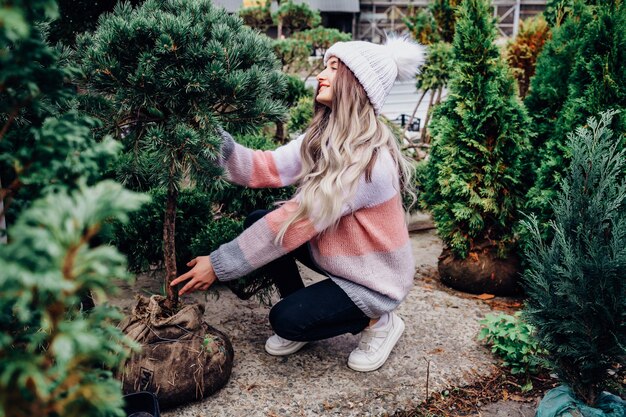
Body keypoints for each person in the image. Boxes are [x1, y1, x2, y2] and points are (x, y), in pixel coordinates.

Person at [171, 35, 426, 372]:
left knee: (285, 320)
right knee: (258, 218)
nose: (321, 74)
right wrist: (205, 132)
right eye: (324, 66)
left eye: (333, 68)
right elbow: (264, 167)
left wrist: (218, 265)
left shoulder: (369, 164)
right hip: (343, 258)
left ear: (356, 84)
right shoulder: (323, 138)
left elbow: (294, 220)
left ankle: (378, 323)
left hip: (373, 281)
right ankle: (308, 311)